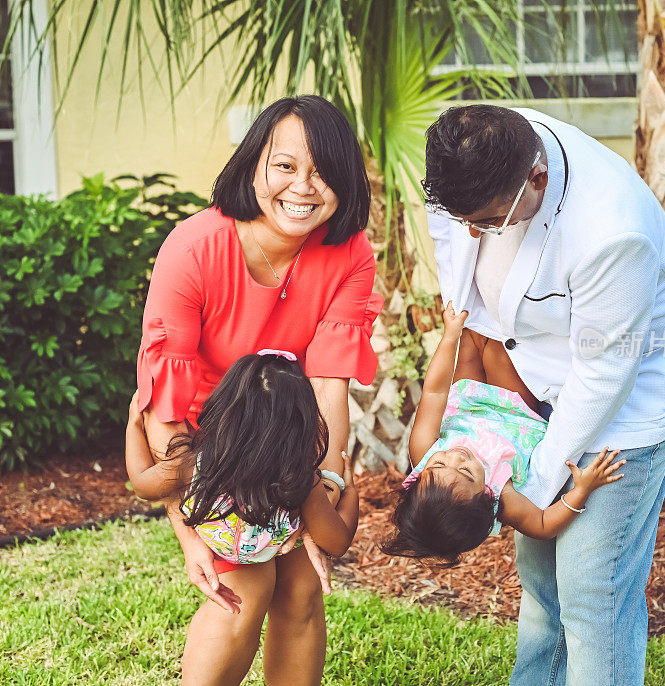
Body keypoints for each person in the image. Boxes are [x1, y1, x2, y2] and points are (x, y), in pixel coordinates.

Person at [423, 104, 665, 685]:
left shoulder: (611, 232)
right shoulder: (473, 146)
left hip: (623, 401)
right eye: (462, 218)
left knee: (589, 592)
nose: (472, 232)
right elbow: (457, 243)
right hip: (536, 386)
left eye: (489, 222)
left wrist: (531, 483)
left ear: (537, 181)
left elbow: (604, 375)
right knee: (543, 586)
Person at [131, 95, 381, 686]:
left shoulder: (350, 254)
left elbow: (328, 387)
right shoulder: (193, 247)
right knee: (243, 581)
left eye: (322, 171)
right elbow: (164, 401)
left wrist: (321, 491)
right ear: (253, 166)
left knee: (300, 586)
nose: (303, 186)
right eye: (285, 166)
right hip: (203, 446)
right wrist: (189, 528)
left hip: (286, 438)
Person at [126, 351, 359, 685]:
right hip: (270, 548)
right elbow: (336, 542)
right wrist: (349, 492)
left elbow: (141, 483)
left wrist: (133, 425)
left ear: (224, 406)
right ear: (301, 424)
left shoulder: (193, 461)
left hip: (220, 547)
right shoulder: (301, 481)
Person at [382, 303, 623, 566]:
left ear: (417, 476)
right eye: (466, 473)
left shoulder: (422, 450)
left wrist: (448, 337)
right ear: (486, 498)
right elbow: (542, 525)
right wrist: (582, 490)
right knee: (499, 345)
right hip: (513, 408)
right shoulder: (501, 492)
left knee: (473, 332)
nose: (456, 457)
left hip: (468, 398)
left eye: (438, 464)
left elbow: (434, 392)